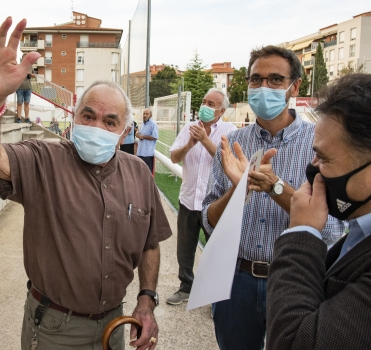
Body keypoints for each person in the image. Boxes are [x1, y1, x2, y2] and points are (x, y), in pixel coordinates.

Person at [0, 17, 172, 350]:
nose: (96, 126)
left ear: (124, 133)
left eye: (110, 121)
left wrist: (147, 299)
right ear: (73, 118)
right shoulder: (44, 161)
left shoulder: (139, 174)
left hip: (115, 326)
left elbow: (150, 243)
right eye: (88, 116)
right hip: (53, 328)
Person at [201, 45, 346, 350]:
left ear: (294, 87)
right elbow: (209, 221)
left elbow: (332, 227)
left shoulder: (318, 143)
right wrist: (237, 192)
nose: (263, 87)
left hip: (297, 279)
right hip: (235, 280)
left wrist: (274, 187)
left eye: (275, 80)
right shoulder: (233, 144)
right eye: (256, 80)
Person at [267, 74, 371, 349]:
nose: (312, 169)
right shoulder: (366, 226)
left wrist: (302, 233)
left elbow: (294, 342)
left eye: (324, 158)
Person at [166, 88, 237, 305]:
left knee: (215, 250)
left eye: (211, 104)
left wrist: (205, 141)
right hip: (188, 199)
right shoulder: (189, 128)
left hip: (214, 203)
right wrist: (189, 144)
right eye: (204, 101)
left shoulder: (229, 130)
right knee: (184, 248)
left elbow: (228, 161)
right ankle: (186, 287)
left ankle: (214, 294)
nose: (205, 107)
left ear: (222, 110)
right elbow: (174, 157)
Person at [137, 108, 158, 173]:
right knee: (140, 173)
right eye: (144, 114)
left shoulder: (153, 124)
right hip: (140, 152)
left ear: (150, 116)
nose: (145, 115)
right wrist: (137, 134)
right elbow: (140, 134)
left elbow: (155, 137)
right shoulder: (142, 124)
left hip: (147, 154)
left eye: (147, 114)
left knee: (147, 174)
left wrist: (144, 136)